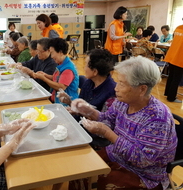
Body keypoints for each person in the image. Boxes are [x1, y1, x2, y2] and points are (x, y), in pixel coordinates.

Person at [70, 56, 177, 190]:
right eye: (117, 82)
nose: (116, 88)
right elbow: (107, 119)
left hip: (145, 174)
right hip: (117, 155)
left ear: (142, 89)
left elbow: (142, 160)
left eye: (122, 84)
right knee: (80, 168)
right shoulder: (122, 102)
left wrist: (107, 133)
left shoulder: (158, 117)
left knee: (105, 182)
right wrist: (88, 111)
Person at [34, 38, 78, 104]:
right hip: (56, 100)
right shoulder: (61, 64)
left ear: (60, 52)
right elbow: (58, 78)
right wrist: (45, 75)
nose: (51, 56)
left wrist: (44, 78)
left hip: (66, 105)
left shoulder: (68, 69)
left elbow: (60, 87)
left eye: (52, 53)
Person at [164, 24, 183, 103]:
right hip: (180, 57)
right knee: (176, 78)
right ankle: (171, 97)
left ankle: (167, 93)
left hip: (172, 55)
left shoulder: (178, 28)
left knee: (171, 76)